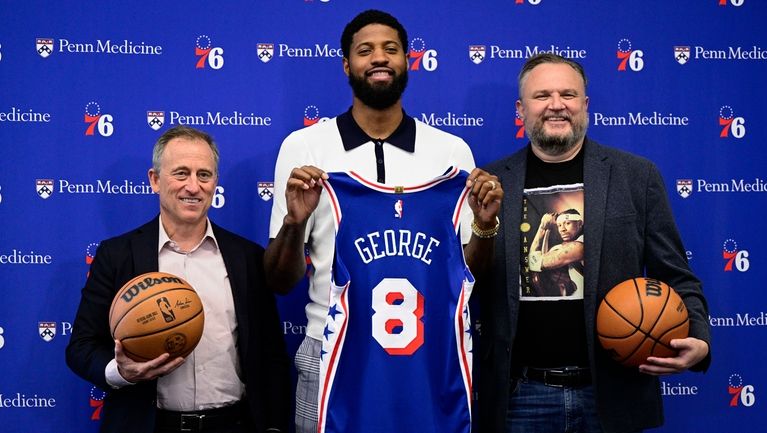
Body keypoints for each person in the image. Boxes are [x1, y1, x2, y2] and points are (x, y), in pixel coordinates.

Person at [264, 9, 501, 433]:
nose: (379, 58)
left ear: (408, 60)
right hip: (329, 348)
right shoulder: (304, 147)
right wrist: (295, 223)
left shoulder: (450, 152)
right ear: (346, 64)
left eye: (391, 49)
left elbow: (470, 274)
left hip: (431, 354)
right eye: (365, 50)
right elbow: (280, 280)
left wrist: (484, 226)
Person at [478, 53, 711, 433]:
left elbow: (676, 274)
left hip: (612, 391)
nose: (556, 105)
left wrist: (699, 338)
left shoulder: (637, 175)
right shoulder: (492, 181)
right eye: (542, 96)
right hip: (520, 395)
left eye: (568, 94)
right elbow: (471, 281)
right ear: (521, 109)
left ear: (585, 105)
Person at [66, 125, 290, 433]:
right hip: (150, 425)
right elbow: (81, 347)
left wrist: (275, 425)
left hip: (233, 424)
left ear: (215, 183)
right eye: (181, 173)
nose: (193, 187)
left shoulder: (248, 257)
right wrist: (122, 371)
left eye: (204, 175)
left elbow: (271, 354)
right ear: (155, 180)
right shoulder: (117, 255)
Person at [528, 208, 584, 297]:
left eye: (567, 223)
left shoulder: (577, 247)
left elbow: (533, 263)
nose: (562, 229)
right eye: (559, 225)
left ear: (579, 223)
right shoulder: (575, 243)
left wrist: (542, 226)